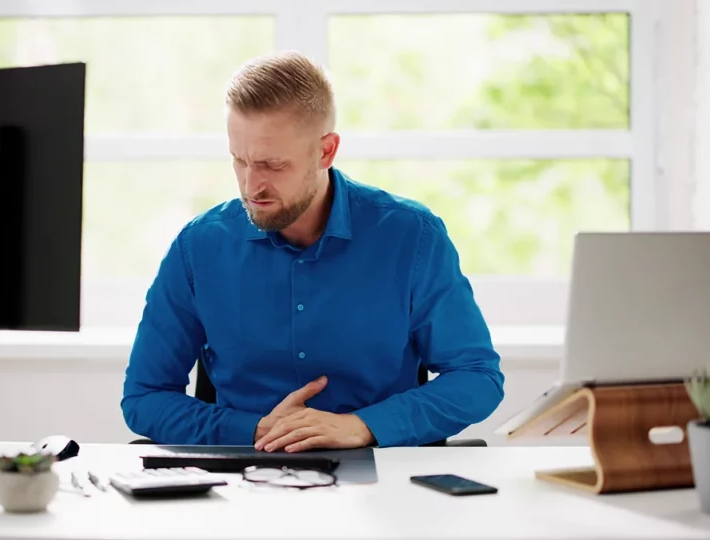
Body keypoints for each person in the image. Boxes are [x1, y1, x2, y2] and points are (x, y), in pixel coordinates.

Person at [121, 51, 504, 452]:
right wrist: (254, 430)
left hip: (380, 482)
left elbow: (477, 378)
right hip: (242, 481)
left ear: (326, 151)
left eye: (272, 165)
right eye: (240, 160)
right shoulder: (198, 247)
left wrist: (363, 425)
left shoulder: (412, 236)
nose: (252, 186)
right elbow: (144, 397)